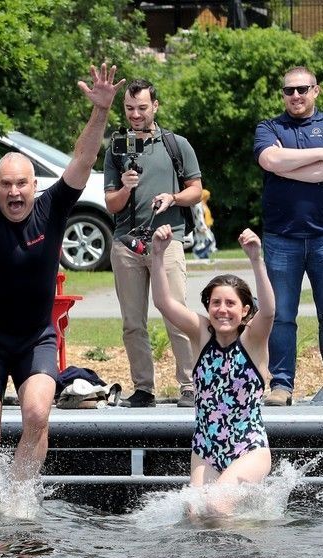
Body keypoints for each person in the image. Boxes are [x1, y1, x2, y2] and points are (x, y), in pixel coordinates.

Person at [0, 64, 122, 483]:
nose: (14, 192)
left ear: (35, 185)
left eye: (22, 184)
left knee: (36, 414)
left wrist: (101, 111)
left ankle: (17, 496)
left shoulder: (53, 208)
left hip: (37, 339)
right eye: (6, 184)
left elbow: (82, 160)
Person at [149, 225, 274, 509]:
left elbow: (269, 311)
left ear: (244, 311)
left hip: (249, 447)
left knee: (217, 508)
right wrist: (157, 255)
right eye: (216, 302)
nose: (222, 309)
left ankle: (251, 548)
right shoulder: (201, 332)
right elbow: (163, 303)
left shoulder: (253, 337)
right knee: (195, 513)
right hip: (206, 449)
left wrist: (256, 259)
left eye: (231, 303)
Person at [103, 78, 203, 409]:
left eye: (142, 108)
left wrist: (172, 197)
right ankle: (144, 389)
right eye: (130, 108)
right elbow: (111, 205)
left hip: (168, 239)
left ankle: (189, 385)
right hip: (126, 243)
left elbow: (196, 191)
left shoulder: (176, 144)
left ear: (155, 106)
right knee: (133, 323)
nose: (135, 114)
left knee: (176, 315)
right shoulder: (116, 148)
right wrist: (127, 187)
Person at [253, 66, 323, 407]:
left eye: (302, 89)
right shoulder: (269, 127)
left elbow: (280, 162)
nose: (295, 95)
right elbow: (269, 158)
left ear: (316, 91)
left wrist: (287, 164)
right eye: (288, 90)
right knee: (281, 314)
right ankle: (281, 385)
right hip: (281, 237)